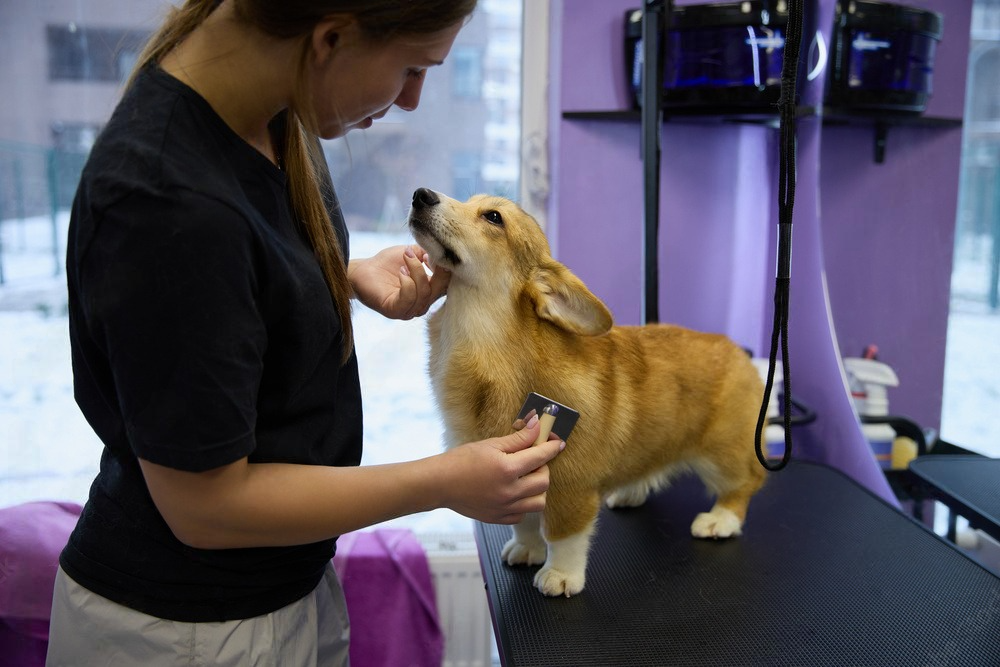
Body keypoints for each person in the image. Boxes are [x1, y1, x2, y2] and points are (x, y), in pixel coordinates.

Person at [45, 1, 564, 665]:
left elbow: (233, 270)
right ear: (331, 37)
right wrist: (441, 481)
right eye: (411, 68)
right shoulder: (162, 198)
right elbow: (206, 508)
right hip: (185, 630)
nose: (410, 100)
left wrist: (337, 272)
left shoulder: (268, 110)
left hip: (281, 589)